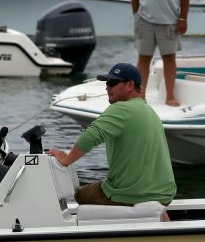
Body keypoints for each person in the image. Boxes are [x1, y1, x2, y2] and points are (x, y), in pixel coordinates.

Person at [46, 62, 177, 208]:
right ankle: (160, 215)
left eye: (113, 83)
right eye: (107, 83)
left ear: (129, 85)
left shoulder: (120, 109)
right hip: (165, 194)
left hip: (133, 194)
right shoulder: (149, 111)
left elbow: (90, 136)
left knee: (81, 195)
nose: (107, 87)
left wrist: (66, 160)